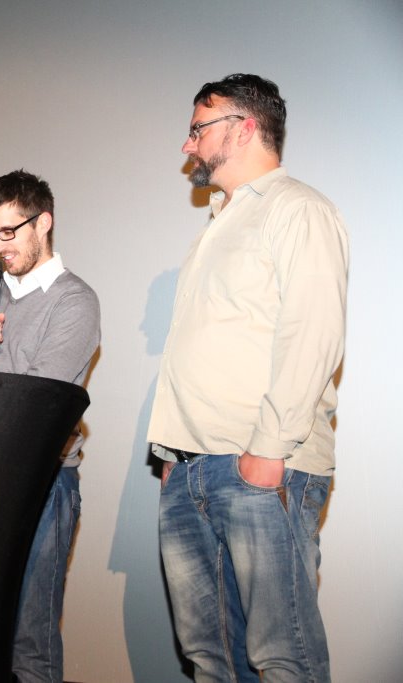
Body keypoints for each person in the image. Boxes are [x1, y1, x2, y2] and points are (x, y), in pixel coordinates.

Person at [147, 73, 348, 682]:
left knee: (281, 657)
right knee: (211, 659)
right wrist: (170, 459)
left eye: (197, 129)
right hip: (191, 468)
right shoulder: (218, 225)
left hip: (257, 465)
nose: (187, 146)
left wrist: (268, 450)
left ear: (244, 127)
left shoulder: (298, 210)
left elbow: (312, 334)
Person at [0, 170, 100, 683]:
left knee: (30, 638)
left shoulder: (75, 300)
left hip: (42, 485)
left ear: (43, 222)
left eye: (10, 232)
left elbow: (38, 401)